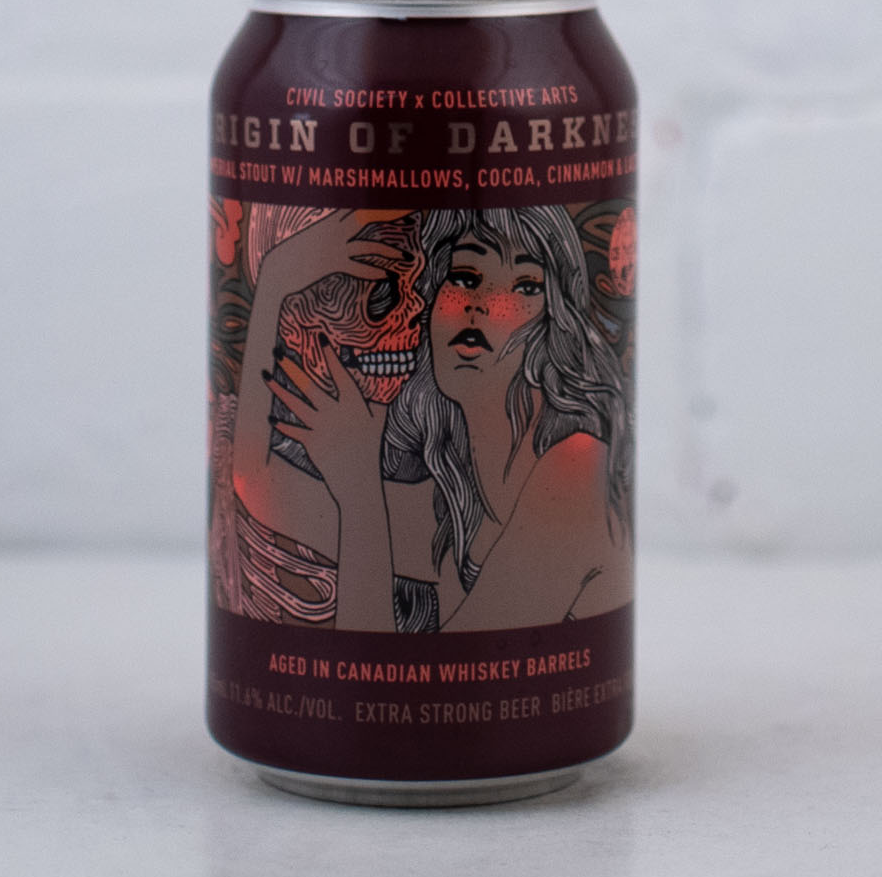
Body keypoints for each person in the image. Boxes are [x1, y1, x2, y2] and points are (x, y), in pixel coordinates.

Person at [229, 206, 632, 632]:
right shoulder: (456, 502)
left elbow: (384, 663)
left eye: (526, 286)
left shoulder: (578, 471)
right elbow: (257, 482)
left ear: (558, 321)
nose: (482, 306)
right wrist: (276, 279)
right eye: (465, 277)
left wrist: (360, 488)